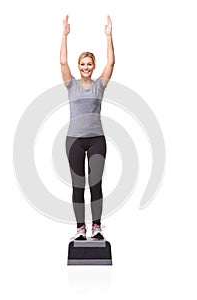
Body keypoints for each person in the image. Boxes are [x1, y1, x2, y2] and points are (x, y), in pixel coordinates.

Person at [60, 15, 115, 240]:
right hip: (74, 139)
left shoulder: (99, 85)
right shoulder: (70, 84)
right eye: (82, 64)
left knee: (96, 185)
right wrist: (64, 35)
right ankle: (81, 229)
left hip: (96, 140)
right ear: (79, 66)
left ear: (93, 67)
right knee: (77, 186)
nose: (85, 67)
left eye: (89, 64)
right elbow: (63, 62)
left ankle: (97, 227)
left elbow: (111, 63)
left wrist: (109, 37)